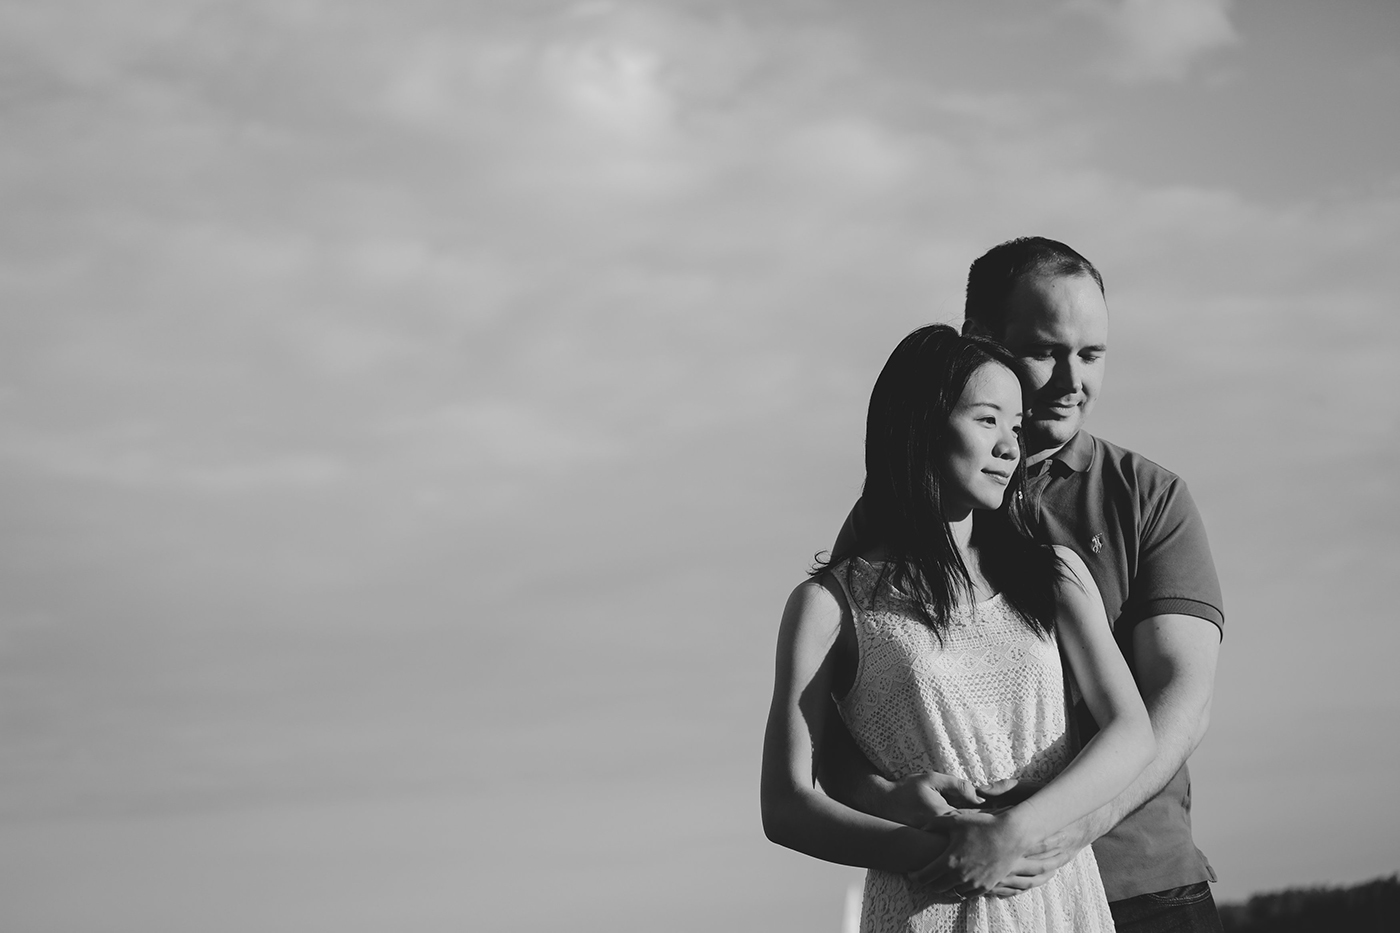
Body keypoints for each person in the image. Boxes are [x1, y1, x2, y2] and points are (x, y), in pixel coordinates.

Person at [821, 238, 1226, 932]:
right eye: (1047, 350)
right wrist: (908, 811)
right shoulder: (888, 521)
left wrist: (1064, 830)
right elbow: (840, 733)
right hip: (967, 898)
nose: (1072, 378)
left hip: (1145, 885)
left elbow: (1179, 703)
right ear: (979, 341)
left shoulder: (1148, 497)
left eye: (1092, 354)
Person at [761, 325, 1156, 932]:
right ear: (919, 424)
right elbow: (785, 805)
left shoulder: (1055, 573)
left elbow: (1131, 732)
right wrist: (931, 851)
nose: (1010, 447)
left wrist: (1014, 834)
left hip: (1056, 897)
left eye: (1017, 427)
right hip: (925, 903)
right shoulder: (829, 605)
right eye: (987, 419)